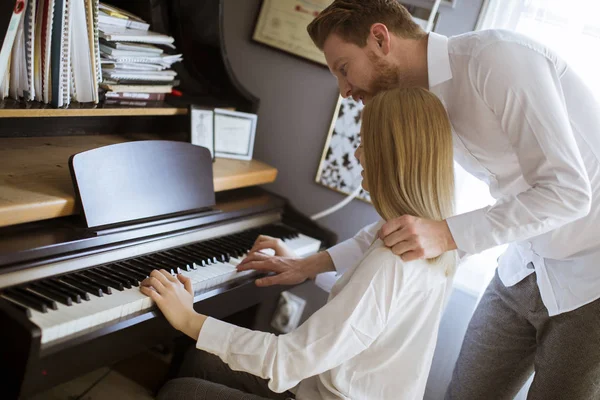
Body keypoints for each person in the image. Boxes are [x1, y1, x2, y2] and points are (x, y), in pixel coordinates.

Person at [239, 1, 600, 399]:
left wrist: (446, 234)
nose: (344, 91)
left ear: (380, 38)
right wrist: (311, 264)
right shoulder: (425, 105)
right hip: (526, 263)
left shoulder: (497, 60)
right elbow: (412, 228)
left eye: (344, 68)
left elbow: (568, 193)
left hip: (592, 280)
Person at [141, 87, 458, 400]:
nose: (358, 154)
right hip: (323, 385)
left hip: (323, 391)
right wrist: (306, 269)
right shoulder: (427, 240)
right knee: (201, 359)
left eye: (366, 144)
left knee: (179, 392)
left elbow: (287, 359)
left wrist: (189, 319)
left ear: (394, 157)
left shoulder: (389, 261)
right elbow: (367, 311)